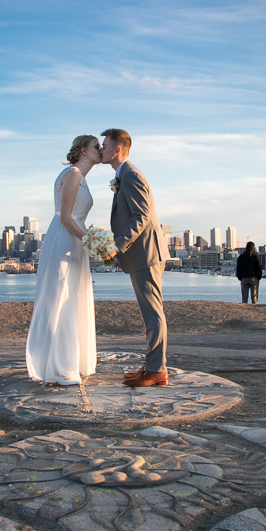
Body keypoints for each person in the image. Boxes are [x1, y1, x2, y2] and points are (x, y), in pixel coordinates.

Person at [26, 135, 102, 385]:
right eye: (96, 147)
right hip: (66, 237)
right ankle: (59, 368)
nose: (101, 151)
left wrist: (88, 239)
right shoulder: (73, 175)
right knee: (61, 298)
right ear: (83, 150)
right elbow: (66, 218)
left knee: (73, 297)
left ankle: (72, 361)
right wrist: (92, 240)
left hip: (75, 239)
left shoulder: (81, 177)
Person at [101, 128, 170, 387]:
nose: (102, 150)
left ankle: (157, 370)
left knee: (153, 313)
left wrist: (116, 246)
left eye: (105, 145)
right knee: (149, 313)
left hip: (146, 254)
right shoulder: (125, 175)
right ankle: (153, 366)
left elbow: (141, 216)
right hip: (142, 254)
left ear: (117, 149)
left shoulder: (131, 175)